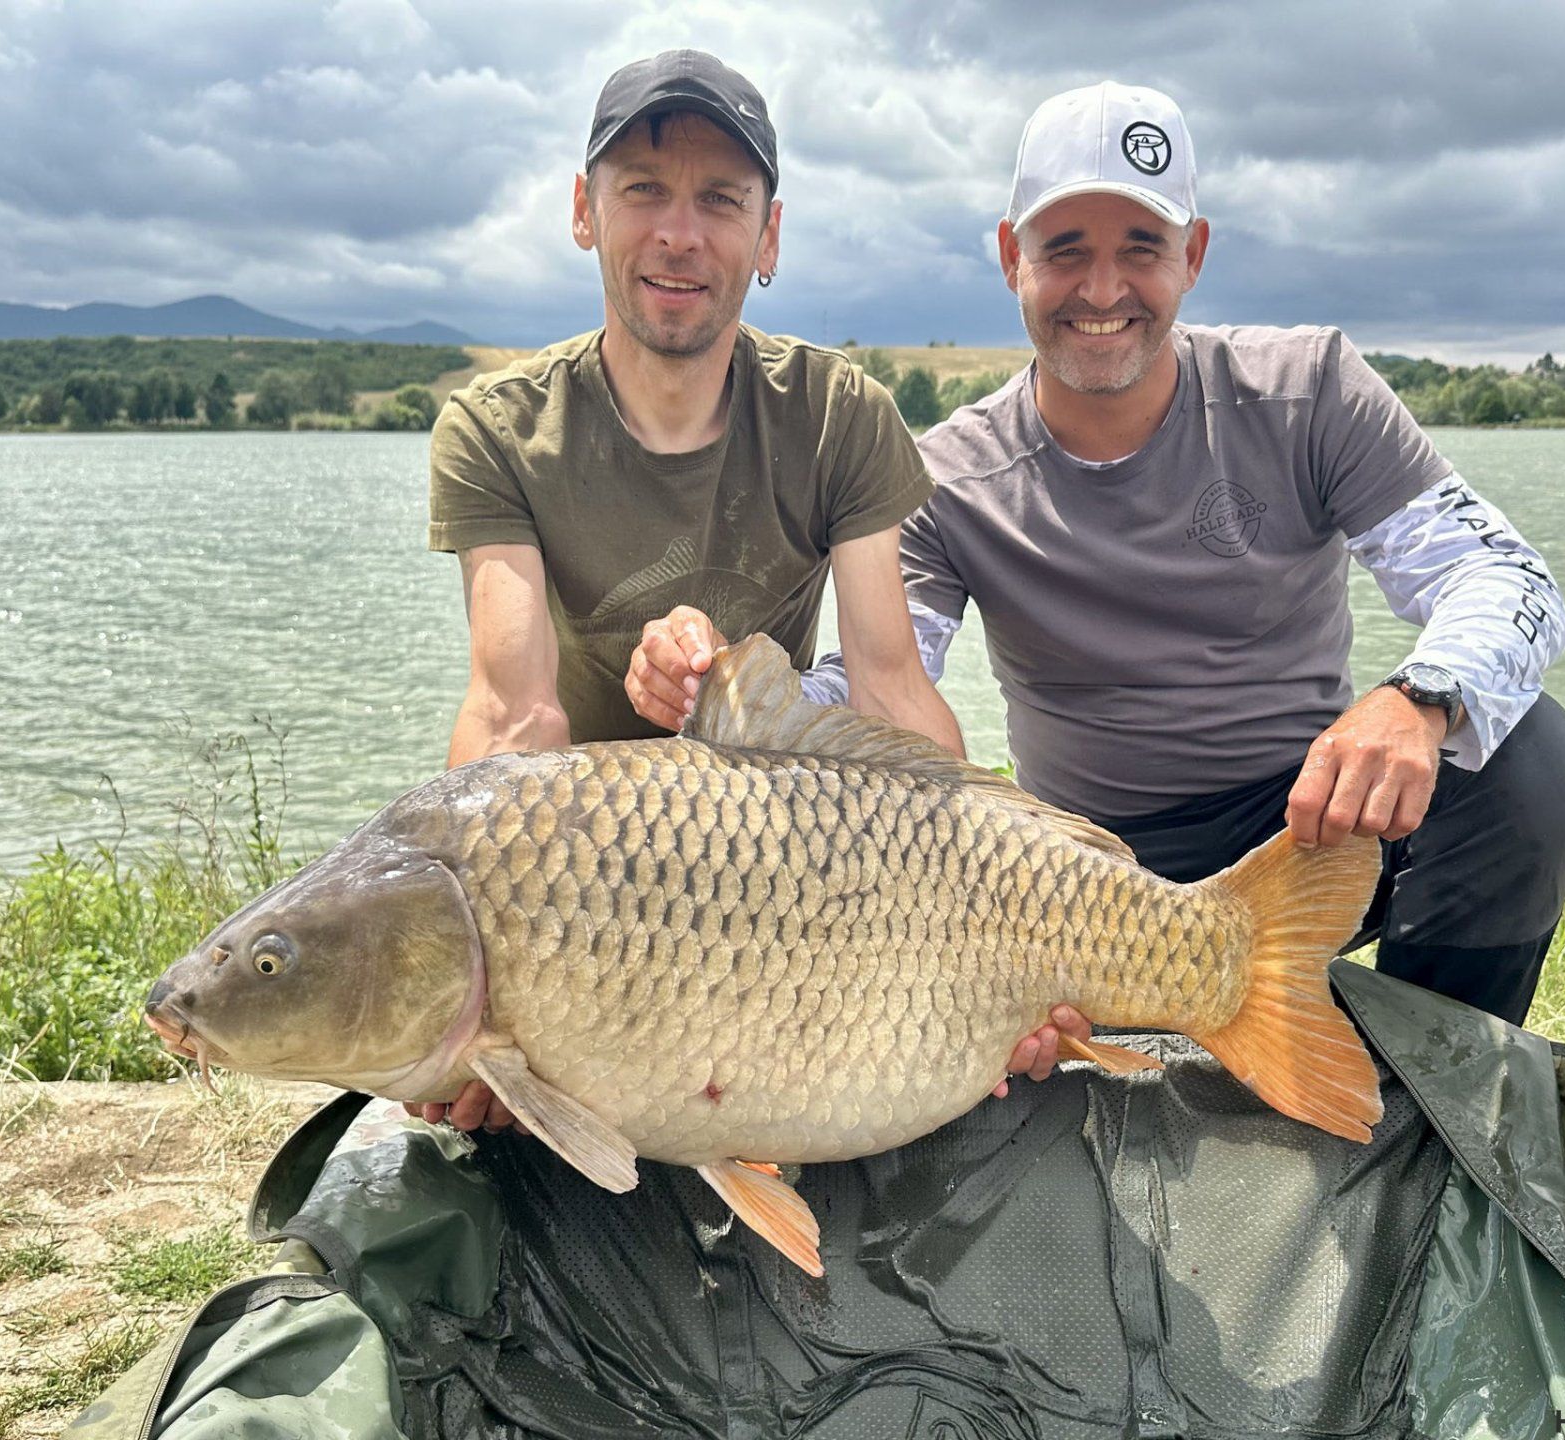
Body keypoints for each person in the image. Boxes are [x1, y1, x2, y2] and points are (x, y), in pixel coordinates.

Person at [773, 84, 1565, 1025]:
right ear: (1012, 258)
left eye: (1141, 248)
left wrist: (1418, 696)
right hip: (1085, 867)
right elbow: (880, 679)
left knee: (1531, 760)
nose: (1102, 289)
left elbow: (1506, 576)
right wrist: (736, 691)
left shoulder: (1311, 390)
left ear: (1194, 255)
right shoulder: (944, 478)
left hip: (1308, 826)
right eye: (1065, 250)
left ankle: (1429, 1088)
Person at [419, 50, 1085, 1134]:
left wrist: (997, 895)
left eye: (721, 201)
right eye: (643, 191)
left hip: (778, 865)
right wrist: (477, 987)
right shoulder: (497, 430)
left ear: (768, 238)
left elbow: (887, 688)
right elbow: (513, 712)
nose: (680, 234)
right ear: (584, 213)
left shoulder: (838, 414)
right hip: (580, 899)